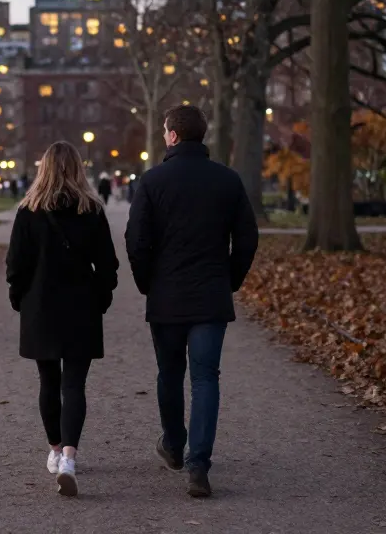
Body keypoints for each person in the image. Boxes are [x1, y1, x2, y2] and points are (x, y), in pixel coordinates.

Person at [125, 104, 259, 498]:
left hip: (166, 295)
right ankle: (198, 463)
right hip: (210, 294)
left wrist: (146, 281)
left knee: (169, 374)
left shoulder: (152, 182)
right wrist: (229, 279)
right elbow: (247, 238)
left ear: (172, 136)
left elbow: (136, 240)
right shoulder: (228, 181)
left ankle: (173, 443)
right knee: (205, 378)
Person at [6, 141, 119, 497]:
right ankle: (70, 456)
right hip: (81, 306)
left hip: (40, 306)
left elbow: (15, 266)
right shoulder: (92, 211)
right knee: (74, 384)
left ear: (43, 169)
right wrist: (101, 299)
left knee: (48, 381)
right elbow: (108, 267)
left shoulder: (28, 211)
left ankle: (55, 448)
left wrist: (19, 300)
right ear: (78, 169)